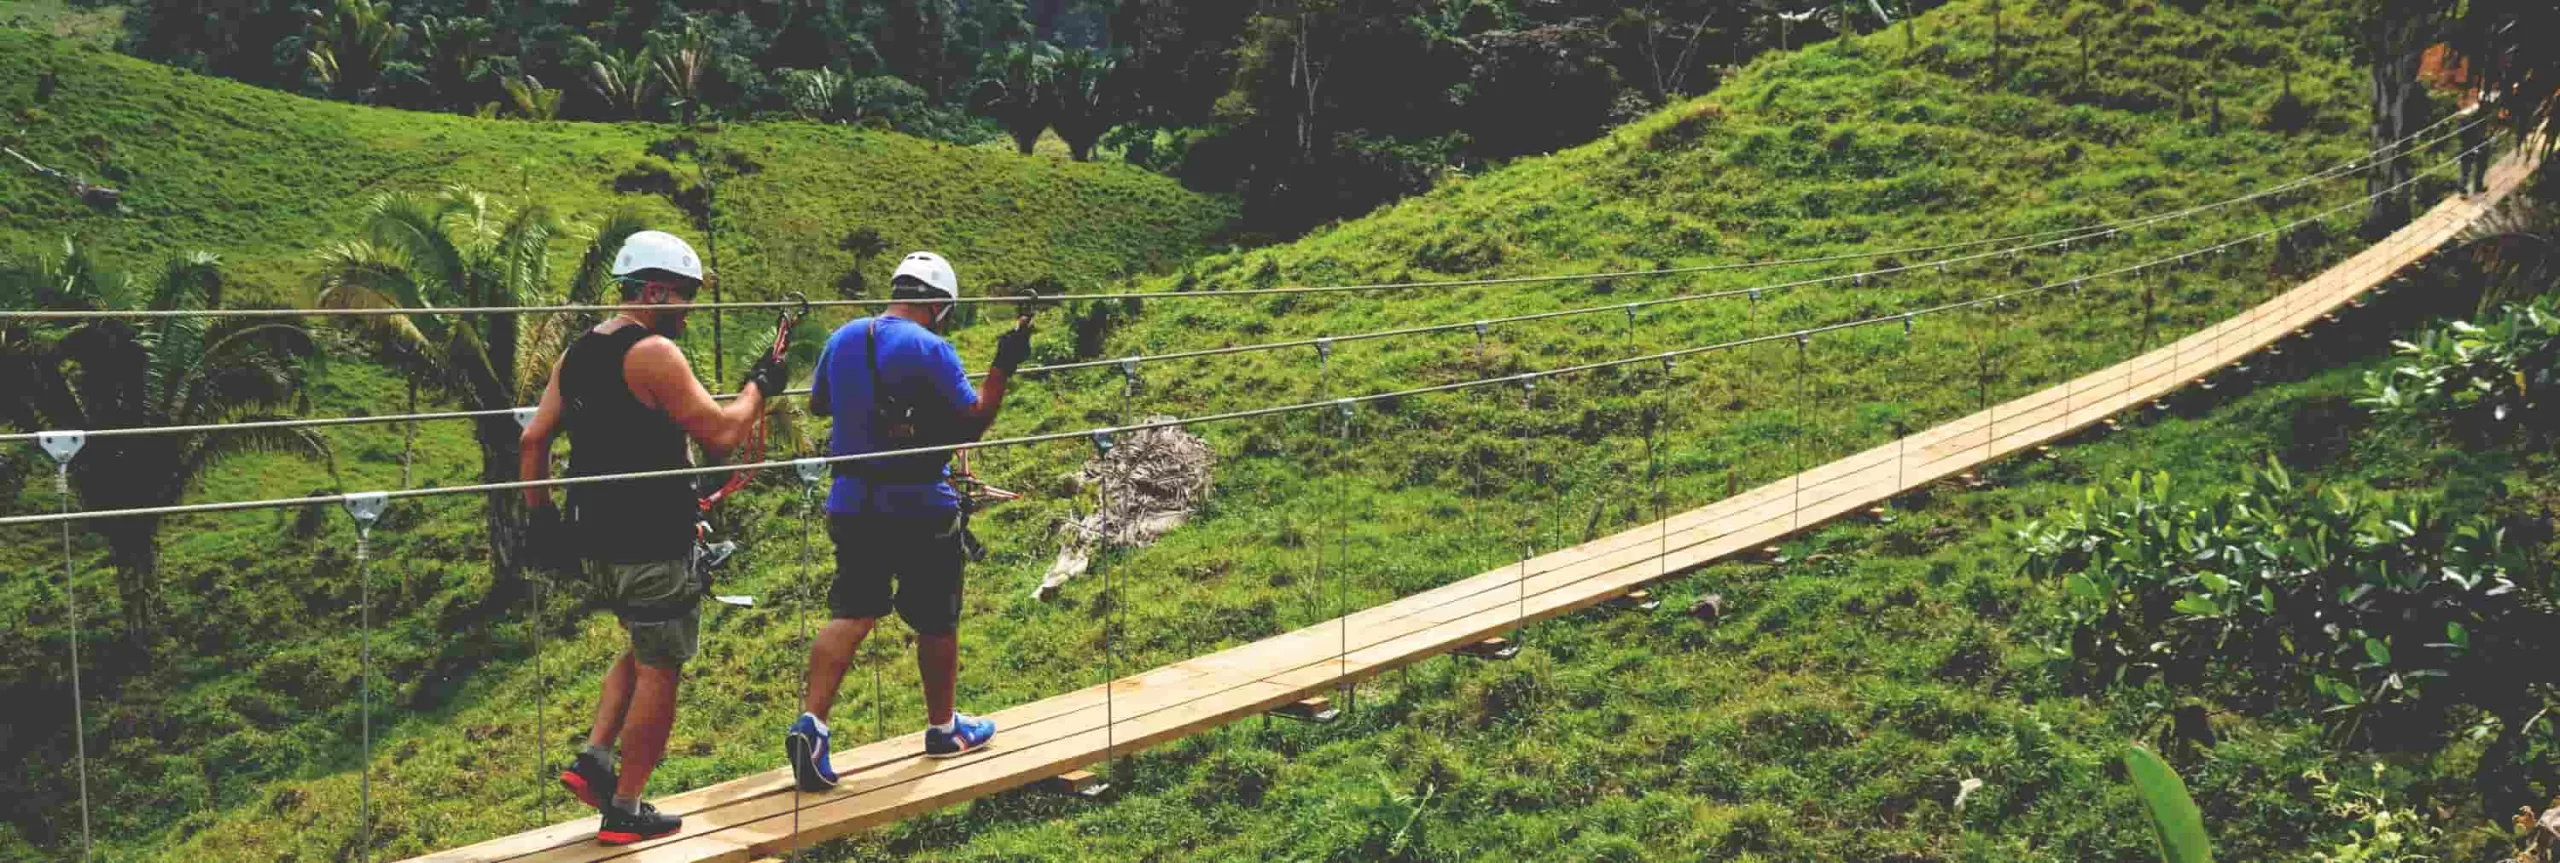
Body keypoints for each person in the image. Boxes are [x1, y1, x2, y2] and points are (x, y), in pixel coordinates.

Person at [518, 230, 789, 844]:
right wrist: (760, 386)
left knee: (645, 642)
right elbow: (721, 431)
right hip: (651, 541)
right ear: (657, 290)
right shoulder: (654, 352)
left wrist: (541, 521)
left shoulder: (578, 354)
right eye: (685, 297)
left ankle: (593, 756)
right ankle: (627, 808)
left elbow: (533, 441)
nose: (689, 309)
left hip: (594, 541)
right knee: (662, 663)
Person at [784, 251, 1032, 792]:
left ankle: (814, 724)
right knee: (937, 618)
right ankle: (944, 729)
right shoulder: (931, 347)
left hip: (850, 501)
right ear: (940, 307)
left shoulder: (843, 337)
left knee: (852, 609)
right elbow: (974, 422)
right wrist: (1003, 365)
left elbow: (822, 405)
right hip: (919, 503)